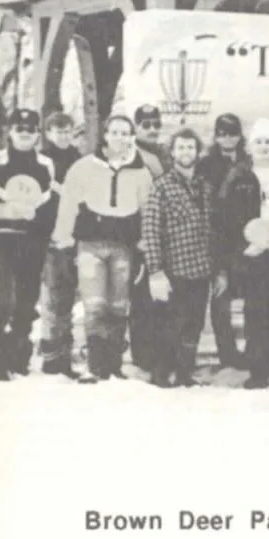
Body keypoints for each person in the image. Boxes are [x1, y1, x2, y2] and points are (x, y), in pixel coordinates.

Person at [52, 114, 155, 382]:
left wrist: (146, 244)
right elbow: (68, 205)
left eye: (126, 133)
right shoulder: (83, 167)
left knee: (119, 306)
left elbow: (148, 211)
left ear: (132, 137)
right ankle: (96, 365)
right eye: (116, 132)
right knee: (95, 305)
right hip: (90, 246)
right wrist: (63, 240)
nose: (121, 138)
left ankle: (114, 364)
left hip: (123, 247)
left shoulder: (141, 172)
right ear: (106, 135)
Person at [0, 108, 59, 381]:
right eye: (19, 129)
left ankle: (19, 357)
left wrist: (38, 218)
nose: (25, 134)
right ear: (10, 131)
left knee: (26, 304)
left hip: (32, 242)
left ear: (38, 134)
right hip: (0, 240)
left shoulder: (47, 165)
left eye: (30, 130)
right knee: (1, 301)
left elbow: (56, 204)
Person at [218, 118, 269, 389]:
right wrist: (244, 248)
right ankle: (258, 368)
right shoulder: (239, 173)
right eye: (258, 142)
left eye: (268, 142)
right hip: (256, 252)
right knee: (256, 311)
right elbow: (227, 215)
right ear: (249, 146)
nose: (263, 146)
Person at [141, 128, 226, 388]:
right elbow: (151, 230)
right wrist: (155, 270)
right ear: (172, 152)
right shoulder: (162, 187)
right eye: (181, 147)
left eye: (191, 147)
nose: (186, 152)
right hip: (173, 270)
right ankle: (161, 373)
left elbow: (216, 232)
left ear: (197, 152)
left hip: (201, 269)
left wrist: (219, 270)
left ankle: (185, 372)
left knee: (194, 324)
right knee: (171, 325)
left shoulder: (205, 187)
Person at [195, 113, 248, 368]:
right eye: (222, 133)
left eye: (232, 133)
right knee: (221, 299)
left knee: (252, 298)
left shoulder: (248, 161)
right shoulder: (206, 165)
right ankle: (227, 354)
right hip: (218, 236)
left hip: (246, 237)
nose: (227, 138)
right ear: (216, 136)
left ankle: (252, 351)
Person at [37, 111, 83, 378]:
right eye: (58, 131)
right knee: (53, 298)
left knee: (68, 299)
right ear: (49, 133)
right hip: (51, 238)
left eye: (67, 131)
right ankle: (51, 355)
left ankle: (66, 352)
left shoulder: (80, 160)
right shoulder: (40, 161)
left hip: (75, 236)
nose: (63, 136)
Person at [127, 105, 168, 374]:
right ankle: (143, 358)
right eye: (146, 125)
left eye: (155, 124)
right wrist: (136, 237)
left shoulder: (165, 154)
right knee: (142, 301)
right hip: (141, 237)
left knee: (161, 302)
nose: (152, 129)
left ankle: (160, 356)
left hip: (164, 236)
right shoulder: (132, 156)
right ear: (136, 127)